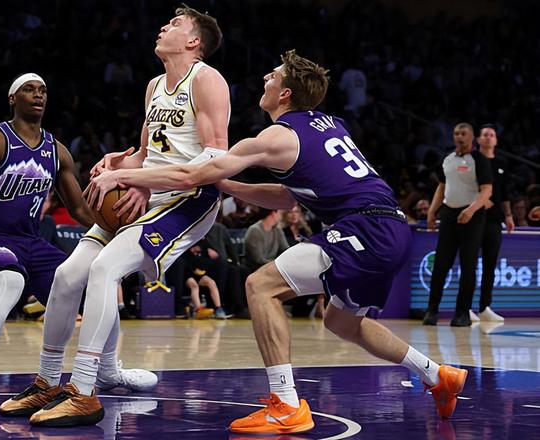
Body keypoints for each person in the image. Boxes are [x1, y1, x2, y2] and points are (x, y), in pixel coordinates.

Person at [92, 50, 468, 434]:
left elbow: (190, 176)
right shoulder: (329, 125)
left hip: (364, 229)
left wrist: (126, 177)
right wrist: (226, 185)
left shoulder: (277, 136)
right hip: (390, 227)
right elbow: (287, 198)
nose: (265, 80)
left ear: (285, 93)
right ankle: (437, 375)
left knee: (260, 286)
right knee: (342, 322)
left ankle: (286, 403)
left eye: (272, 76)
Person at [27, 6, 229, 427]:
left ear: (194, 41)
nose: (164, 26)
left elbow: (212, 161)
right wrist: (119, 163)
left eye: (175, 24)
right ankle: (47, 381)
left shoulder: (206, 79)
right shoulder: (154, 85)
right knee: (68, 275)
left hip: (190, 198)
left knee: (105, 269)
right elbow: (148, 154)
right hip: (151, 193)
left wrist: (133, 177)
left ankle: (83, 391)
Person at [0, 73, 153, 411]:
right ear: (13, 98)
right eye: (29, 90)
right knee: (11, 283)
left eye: (42, 90)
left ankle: (109, 370)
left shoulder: (56, 151)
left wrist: (120, 238)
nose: (38, 95)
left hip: (31, 239)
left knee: (96, 281)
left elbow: (80, 209)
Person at [423, 123, 493, 327]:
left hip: (472, 216)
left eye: (463, 133)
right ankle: (432, 311)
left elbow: (487, 191)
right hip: (449, 214)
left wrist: (471, 210)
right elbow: (442, 186)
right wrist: (432, 210)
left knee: (468, 265)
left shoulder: (479, 160)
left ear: (472, 137)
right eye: (456, 133)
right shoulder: (447, 159)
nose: (459, 137)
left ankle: (462, 313)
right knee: (440, 264)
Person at [473, 124, 512, 322]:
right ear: (478, 139)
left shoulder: (501, 163)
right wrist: (480, 200)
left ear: (496, 140)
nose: (488, 138)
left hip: (494, 221)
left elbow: (504, 193)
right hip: (474, 218)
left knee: (490, 265)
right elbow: (465, 187)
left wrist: (508, 215)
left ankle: (484, 307)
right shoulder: (472, 160)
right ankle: (465, 307)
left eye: (492, 135)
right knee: (469, 264)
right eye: (485, 135)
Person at [243, 209, 289, 274]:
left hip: (272, 267)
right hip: (255, 271)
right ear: (273, 214)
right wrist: (279, 265)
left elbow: (286, 250)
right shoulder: (255, 231)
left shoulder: (277, 230)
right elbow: (259, 260)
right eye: (280, 213)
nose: (281, 215)